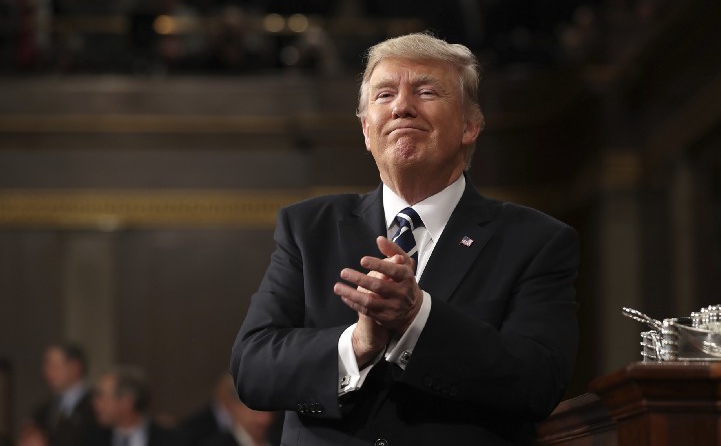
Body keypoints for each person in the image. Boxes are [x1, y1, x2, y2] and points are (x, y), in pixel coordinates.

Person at [230, 32, 579, 445]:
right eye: (384, 95)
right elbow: (253, 368)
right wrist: (356, 345)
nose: (401, 107)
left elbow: (538, 381)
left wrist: (418, 321)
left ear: (470, 126)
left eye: (426, 91)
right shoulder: (308, 228)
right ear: (365, 130)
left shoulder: (535, 241)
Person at [21, 342, 99, 446]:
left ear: (75, 367)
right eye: (46, 366)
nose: (47, 371)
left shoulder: (96, 407)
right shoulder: (42, 410)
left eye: (54, 366)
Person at [87, 365, 177, 446]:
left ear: (127, 402)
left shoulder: (168, 440)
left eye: (101, 396)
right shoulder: (92, 440)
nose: (95, 402)